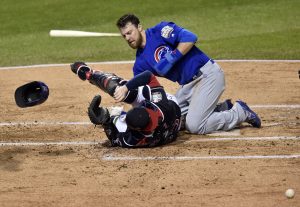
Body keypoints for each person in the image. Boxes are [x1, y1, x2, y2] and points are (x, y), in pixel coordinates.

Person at [114, 13, 261, 134]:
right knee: (171, 120)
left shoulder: (160, 30)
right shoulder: (140, 64)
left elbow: (190, 37)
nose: (128, 38)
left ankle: (240, 112)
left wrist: (171, 58)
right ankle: (220, 109)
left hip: (207, 75)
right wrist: (124, 117)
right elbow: (141, 96)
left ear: (139, 27)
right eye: (124, 36)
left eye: (129, 32)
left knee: (195, 126)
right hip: (188, 87)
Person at [70, 62, 181, 148]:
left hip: (166, 126)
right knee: (126, 92)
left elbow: (115, 138)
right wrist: (126, 88)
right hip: (173, 112)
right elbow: (148, 76)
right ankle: (117, 109)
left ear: (135, 130)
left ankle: (90, 74)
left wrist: (106, 122)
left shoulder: (134, 139)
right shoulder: (162, 108)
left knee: (117, 90)